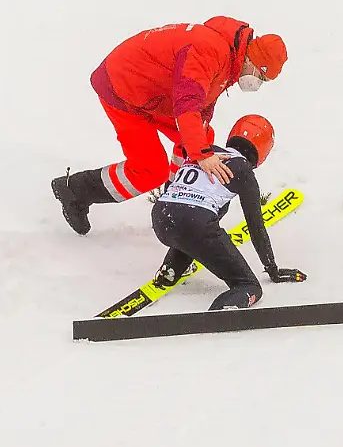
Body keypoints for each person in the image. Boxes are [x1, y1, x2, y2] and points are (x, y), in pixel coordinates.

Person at [51, 17, 287, 235]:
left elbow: (203, 98)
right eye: (261, 78)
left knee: (199, 136)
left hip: (155, 94)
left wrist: (199, 143)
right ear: (255, 63)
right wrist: (202, 154)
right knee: (150, 169)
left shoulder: (230, 57)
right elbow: (187, 103)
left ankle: (175, 195)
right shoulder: (210, 50)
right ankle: (75, 190)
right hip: (123, 90)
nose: (257, 84)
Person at [149, 115, 305, 310]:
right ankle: (220, 312)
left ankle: (172, 268)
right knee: (249, 286)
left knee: (205, 212)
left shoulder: (206, 151)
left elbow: (173, 190)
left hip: (161, 216)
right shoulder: (243, 170)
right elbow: (255, 226)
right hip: (194, 225)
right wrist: (272, 269)